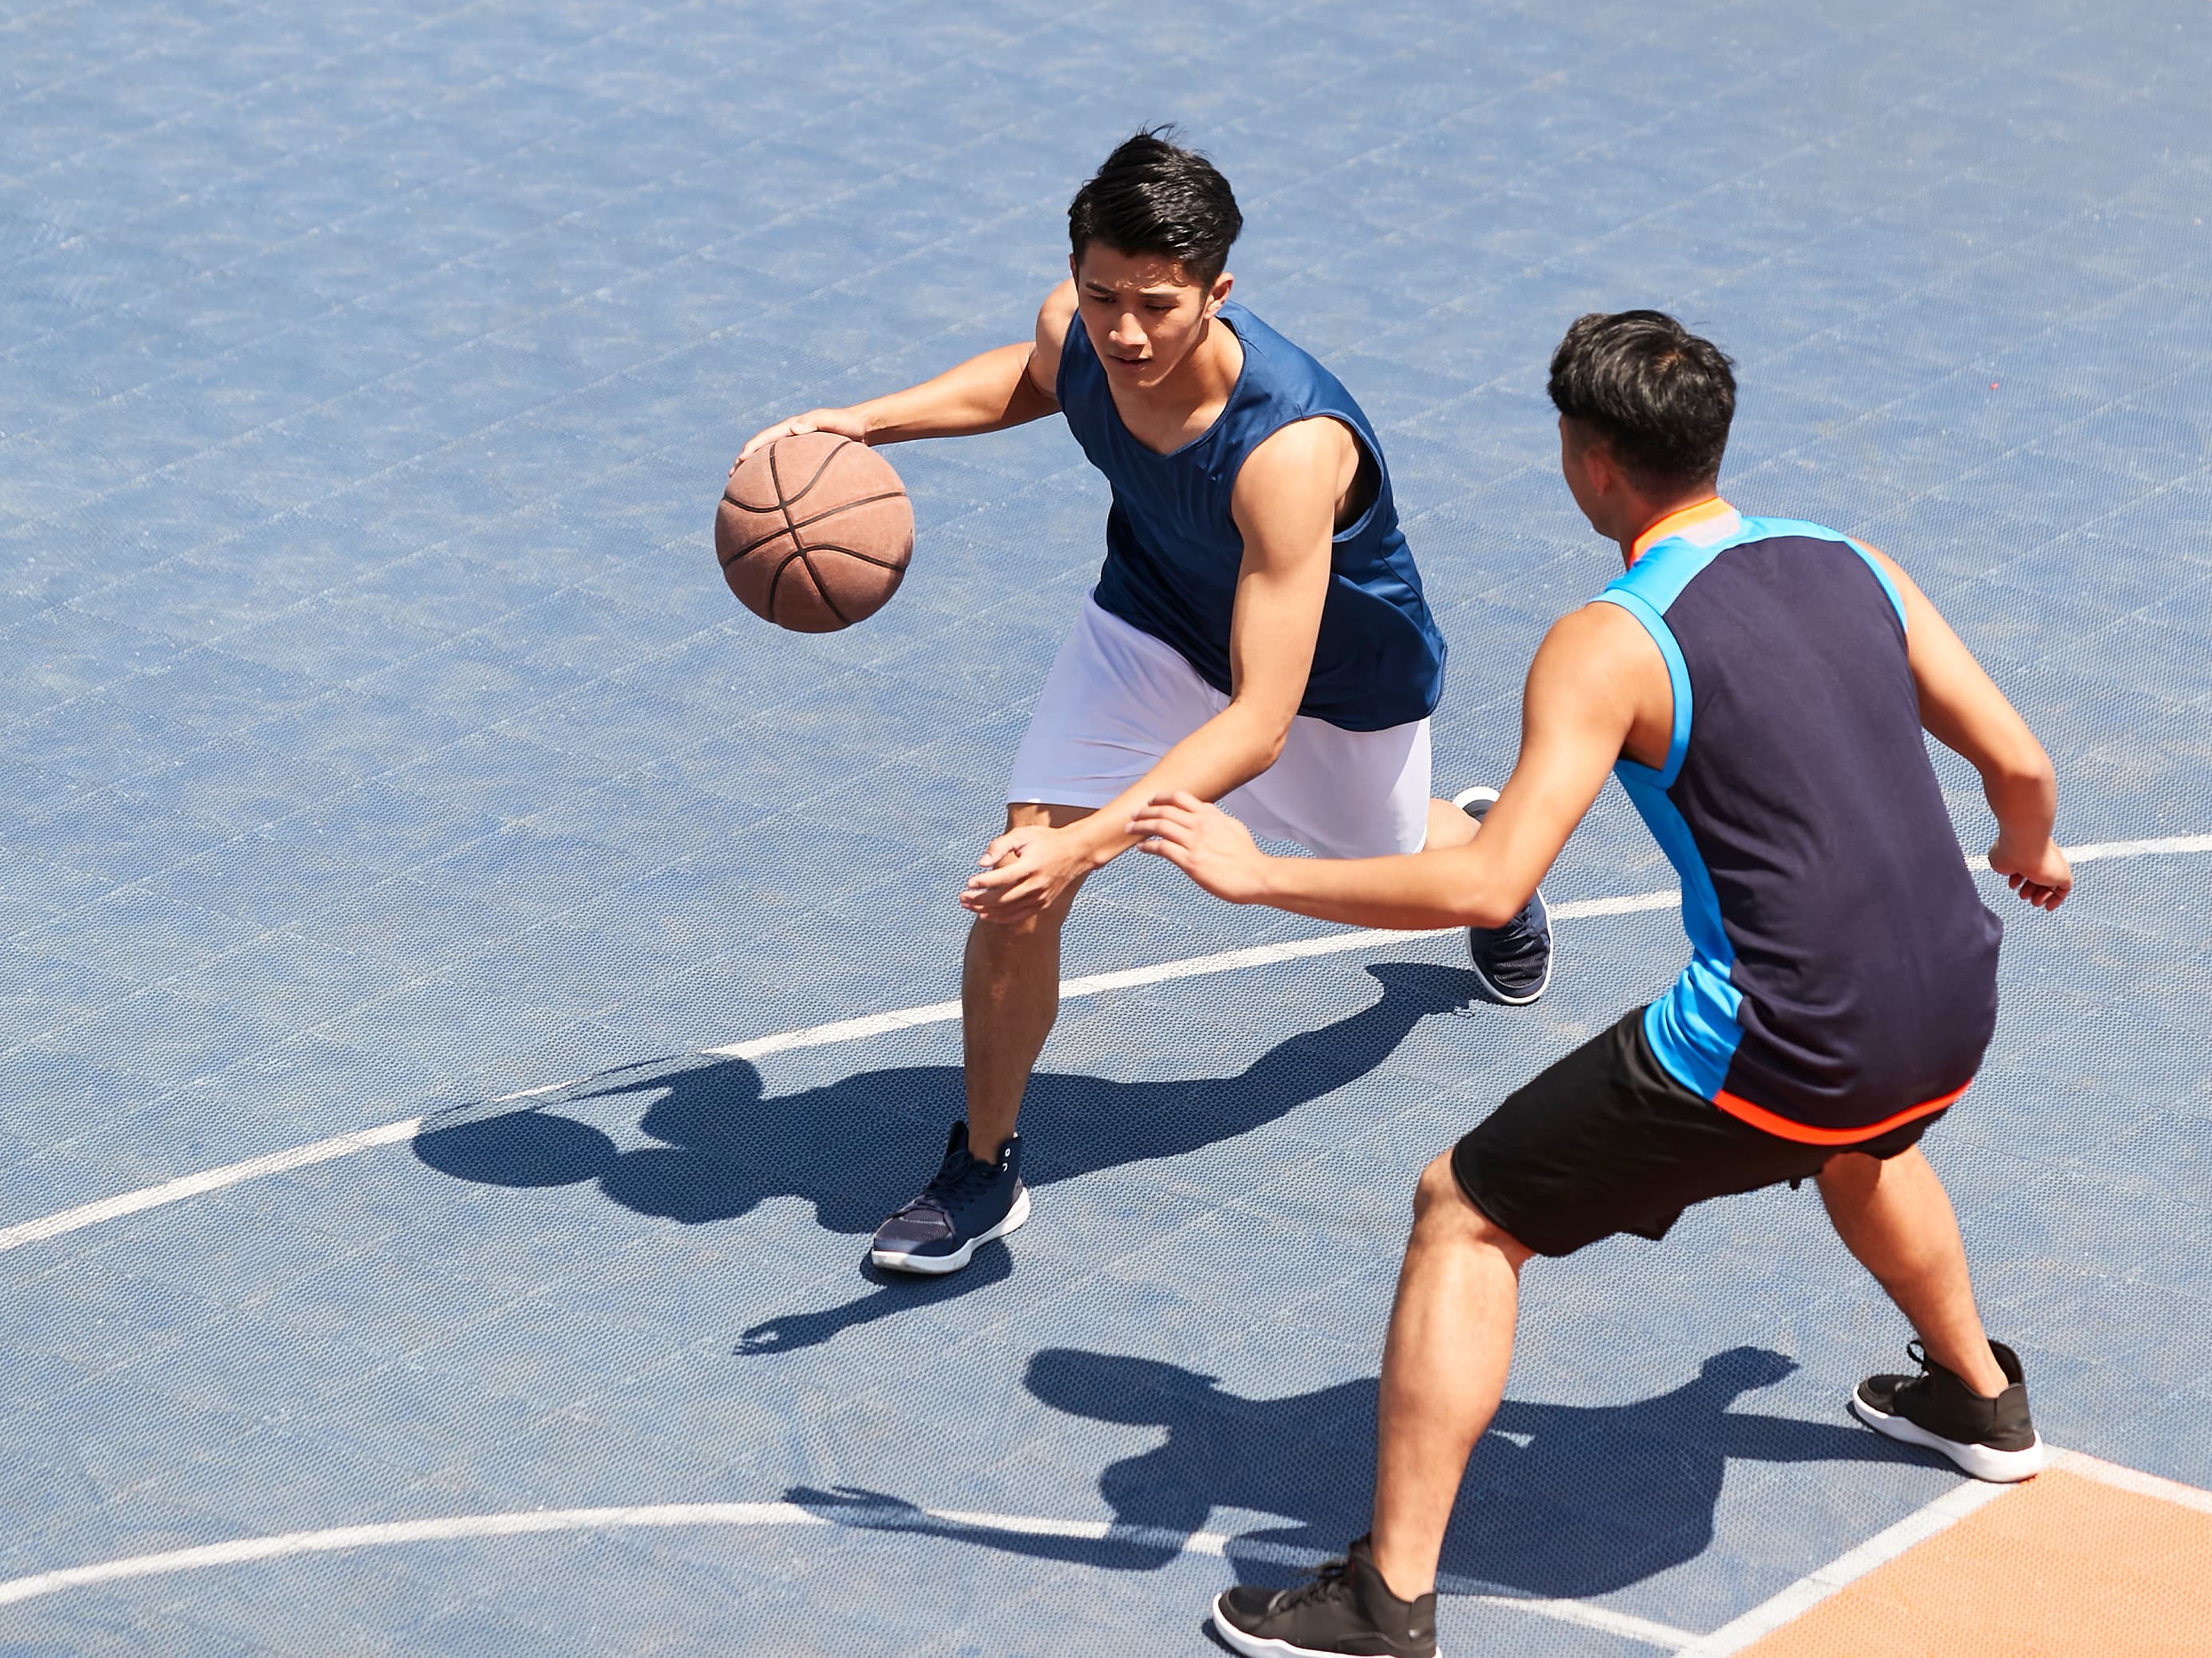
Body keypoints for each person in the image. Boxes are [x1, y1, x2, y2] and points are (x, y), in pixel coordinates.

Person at [1130, 309, 2071, 1658]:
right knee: (1866, 1137)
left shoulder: (1611, 640)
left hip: (1787, 1039)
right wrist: (2028, 855)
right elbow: (2022, 769)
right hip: (1950, 1005)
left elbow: (1486, 887)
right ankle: (1979, 1398)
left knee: (1462, 1208)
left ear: (1591, 463)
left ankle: (1386, 1599)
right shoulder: (1852, 561)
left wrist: (1252, 872)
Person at [735, 131, 1552, 1280]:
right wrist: (860, 424)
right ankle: (982, 1164)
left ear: (1219, 294)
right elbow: (1040, 373)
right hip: (1152, 622)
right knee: (1020, 885)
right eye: (1101, 293)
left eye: (1158, 305)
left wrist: (1103, 841)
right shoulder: (1083, 332)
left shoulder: (1287, 448)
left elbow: (1262, 719)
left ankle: (1483, 857)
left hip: (1332, 686)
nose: (1123, 331)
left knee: (1400, 870)